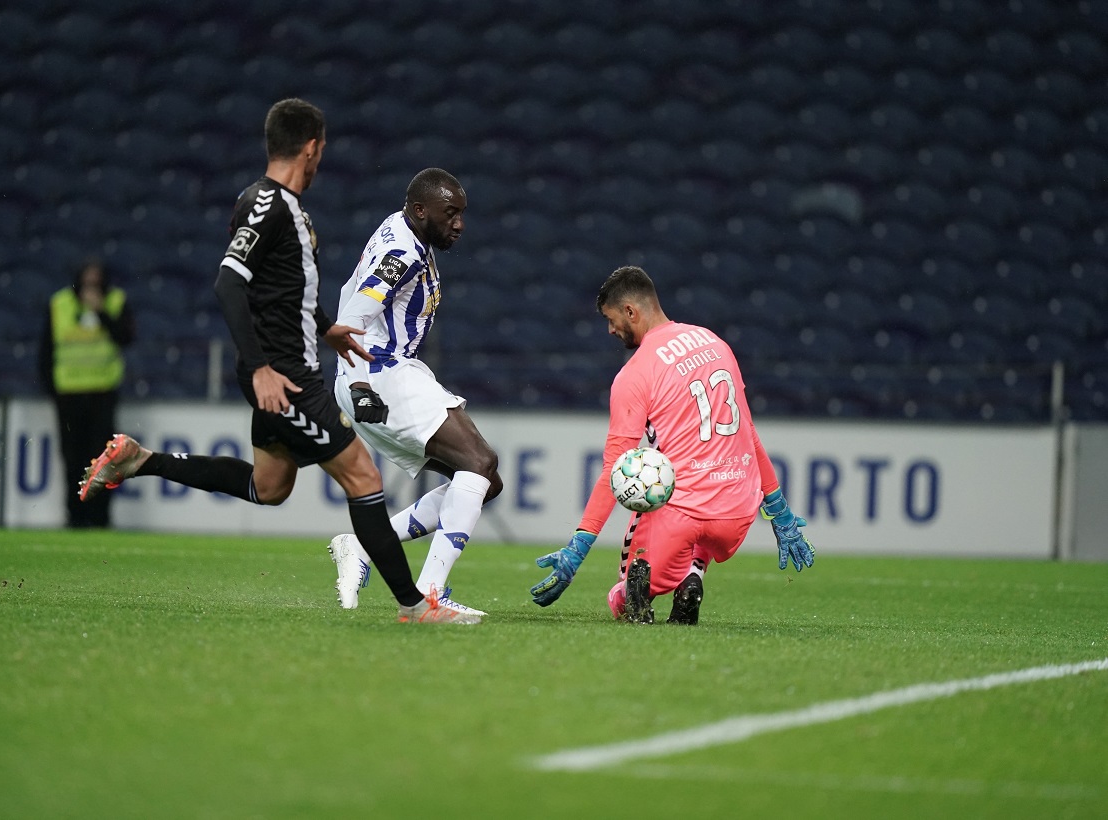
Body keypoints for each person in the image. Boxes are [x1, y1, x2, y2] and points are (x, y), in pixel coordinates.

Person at [77, 98, 477, 625]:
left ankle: (142, 461)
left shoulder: (282, 207)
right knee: (362, 476)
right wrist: (260, 366)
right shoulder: (270, 206)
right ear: (311, 148)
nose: (321, 159)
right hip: (284, 376)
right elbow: (229, 283)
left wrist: (327, 327)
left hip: (290, 367)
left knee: (268, 487)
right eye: (322, 150)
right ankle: (415, 604)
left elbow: (284, 291)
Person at [529, 266, 815, 624]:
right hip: (737, 514)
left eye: (611, 319)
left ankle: (637, 590)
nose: (611, 330)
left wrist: (578, 548)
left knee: (623, 598)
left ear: (631, 311)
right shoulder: (715, 343)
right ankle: (693, 573)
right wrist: (779, 511)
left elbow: (613, 468)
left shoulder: (634, 374)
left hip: (680, 515)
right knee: (702, 525)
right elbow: (748, 434)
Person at [325, 168, 502, 616]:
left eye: (461, 213)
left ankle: (363, 545)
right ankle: (429, 594)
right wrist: (361, 385)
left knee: (484, 481)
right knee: (480, 463)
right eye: (450, 213)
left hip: (382, 374)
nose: (459, 224)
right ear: (420, 210)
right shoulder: (402, 253)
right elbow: (352, 318)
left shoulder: (403, 230)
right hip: (380, 375)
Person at [38, 257, 134, 529]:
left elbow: (125, 337)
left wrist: (101, 312)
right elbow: (46, 350)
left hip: (102, 393)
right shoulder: (59, 304)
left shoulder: (116, 301)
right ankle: (75, 516)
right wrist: (52, 390)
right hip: (68, 395)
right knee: (72, 458)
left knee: (104, 459)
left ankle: (100, 518)